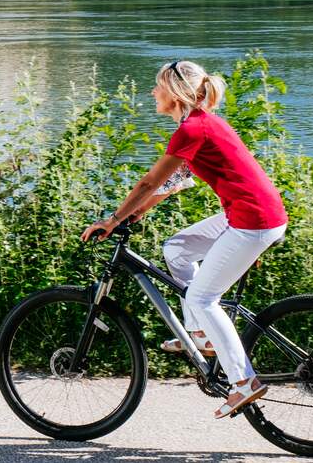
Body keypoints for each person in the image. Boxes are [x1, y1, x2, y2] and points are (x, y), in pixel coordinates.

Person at [81, 60, 288, 420]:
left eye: (157, 86)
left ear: (173, 92)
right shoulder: (198, 124)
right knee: (176, 248)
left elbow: (149, 181)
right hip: (247, 214)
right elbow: (177, 179)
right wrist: (138, 211)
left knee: (203, 297)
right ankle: (201, 335)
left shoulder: (192, 129)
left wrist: (114, 220)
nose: (152, 93)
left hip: (253, 220)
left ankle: (244, 382)